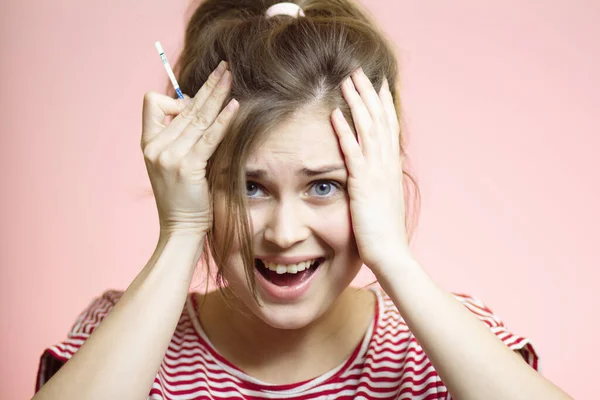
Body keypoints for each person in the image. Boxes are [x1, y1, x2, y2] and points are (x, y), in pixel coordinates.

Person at [32, 1, 573, 399]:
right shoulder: (124, 335)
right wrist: (180, 233)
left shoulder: (443, 343)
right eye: (249, 186)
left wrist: (392, 255)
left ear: (375, 181)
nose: (284, 232)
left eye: (323, 186)